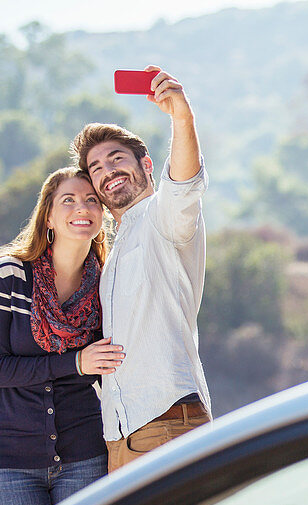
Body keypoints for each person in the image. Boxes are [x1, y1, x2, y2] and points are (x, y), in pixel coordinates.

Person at [72, 65, 212, 472]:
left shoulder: (162, 218)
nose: (108, 170)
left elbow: (184, 186)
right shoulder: (114, 252)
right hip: (122, 438)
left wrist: (181, 117)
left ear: (146, 165)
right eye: (96, 168)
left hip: (166, 424)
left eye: (117, 159)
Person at [0, 168, 126, 505]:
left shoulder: (109, 283)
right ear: (49, 216)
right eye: (69, 200)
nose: (83, 207)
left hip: (85, 455)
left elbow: (113, 368)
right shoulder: (8, 275)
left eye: (92, 199)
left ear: (102, 214)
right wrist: (75, 362)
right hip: (11, 461)